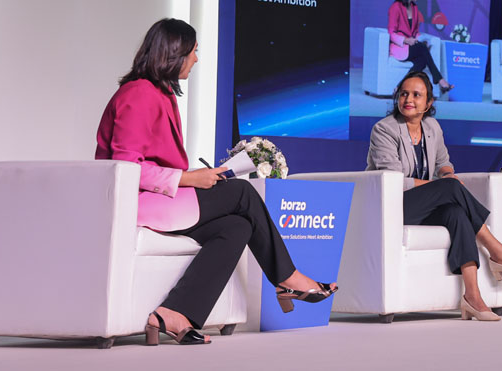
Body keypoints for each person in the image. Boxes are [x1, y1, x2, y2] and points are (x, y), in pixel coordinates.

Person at [96, 19, 336, 346]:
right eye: (193, 52)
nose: (196, 59)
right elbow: (125, 168)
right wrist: (189, 178)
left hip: (163, 200)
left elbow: (158, 164)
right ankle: (288, 278)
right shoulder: (138, 94)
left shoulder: (161, 94)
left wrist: (196, 177)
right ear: (173, 53)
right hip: (139, 203)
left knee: (237, 226)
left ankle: (174, 314)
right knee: (242, 192)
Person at [367, 72, 502, 320]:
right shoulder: (384, 129)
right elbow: (393, 180)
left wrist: (447, 174)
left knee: (456, 213)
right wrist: (442, 184)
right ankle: (498, 251)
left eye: (416, 95)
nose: (408, 99)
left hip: (421, 205)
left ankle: (473, 296)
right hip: (392, 206)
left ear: (428, 103)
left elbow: (443, 163)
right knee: (449, 188)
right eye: (404, 94)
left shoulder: (432, 128)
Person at [388, 0, 453, 94]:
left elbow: (416, 32)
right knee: (422, 49)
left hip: (412, 46)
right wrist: (406, 40)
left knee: (422, 60)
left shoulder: (415, 8)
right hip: (400, 47)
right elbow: (391, 33)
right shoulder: (395, 7)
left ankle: (399, 87)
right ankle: (440, 80)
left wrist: (421, 39)